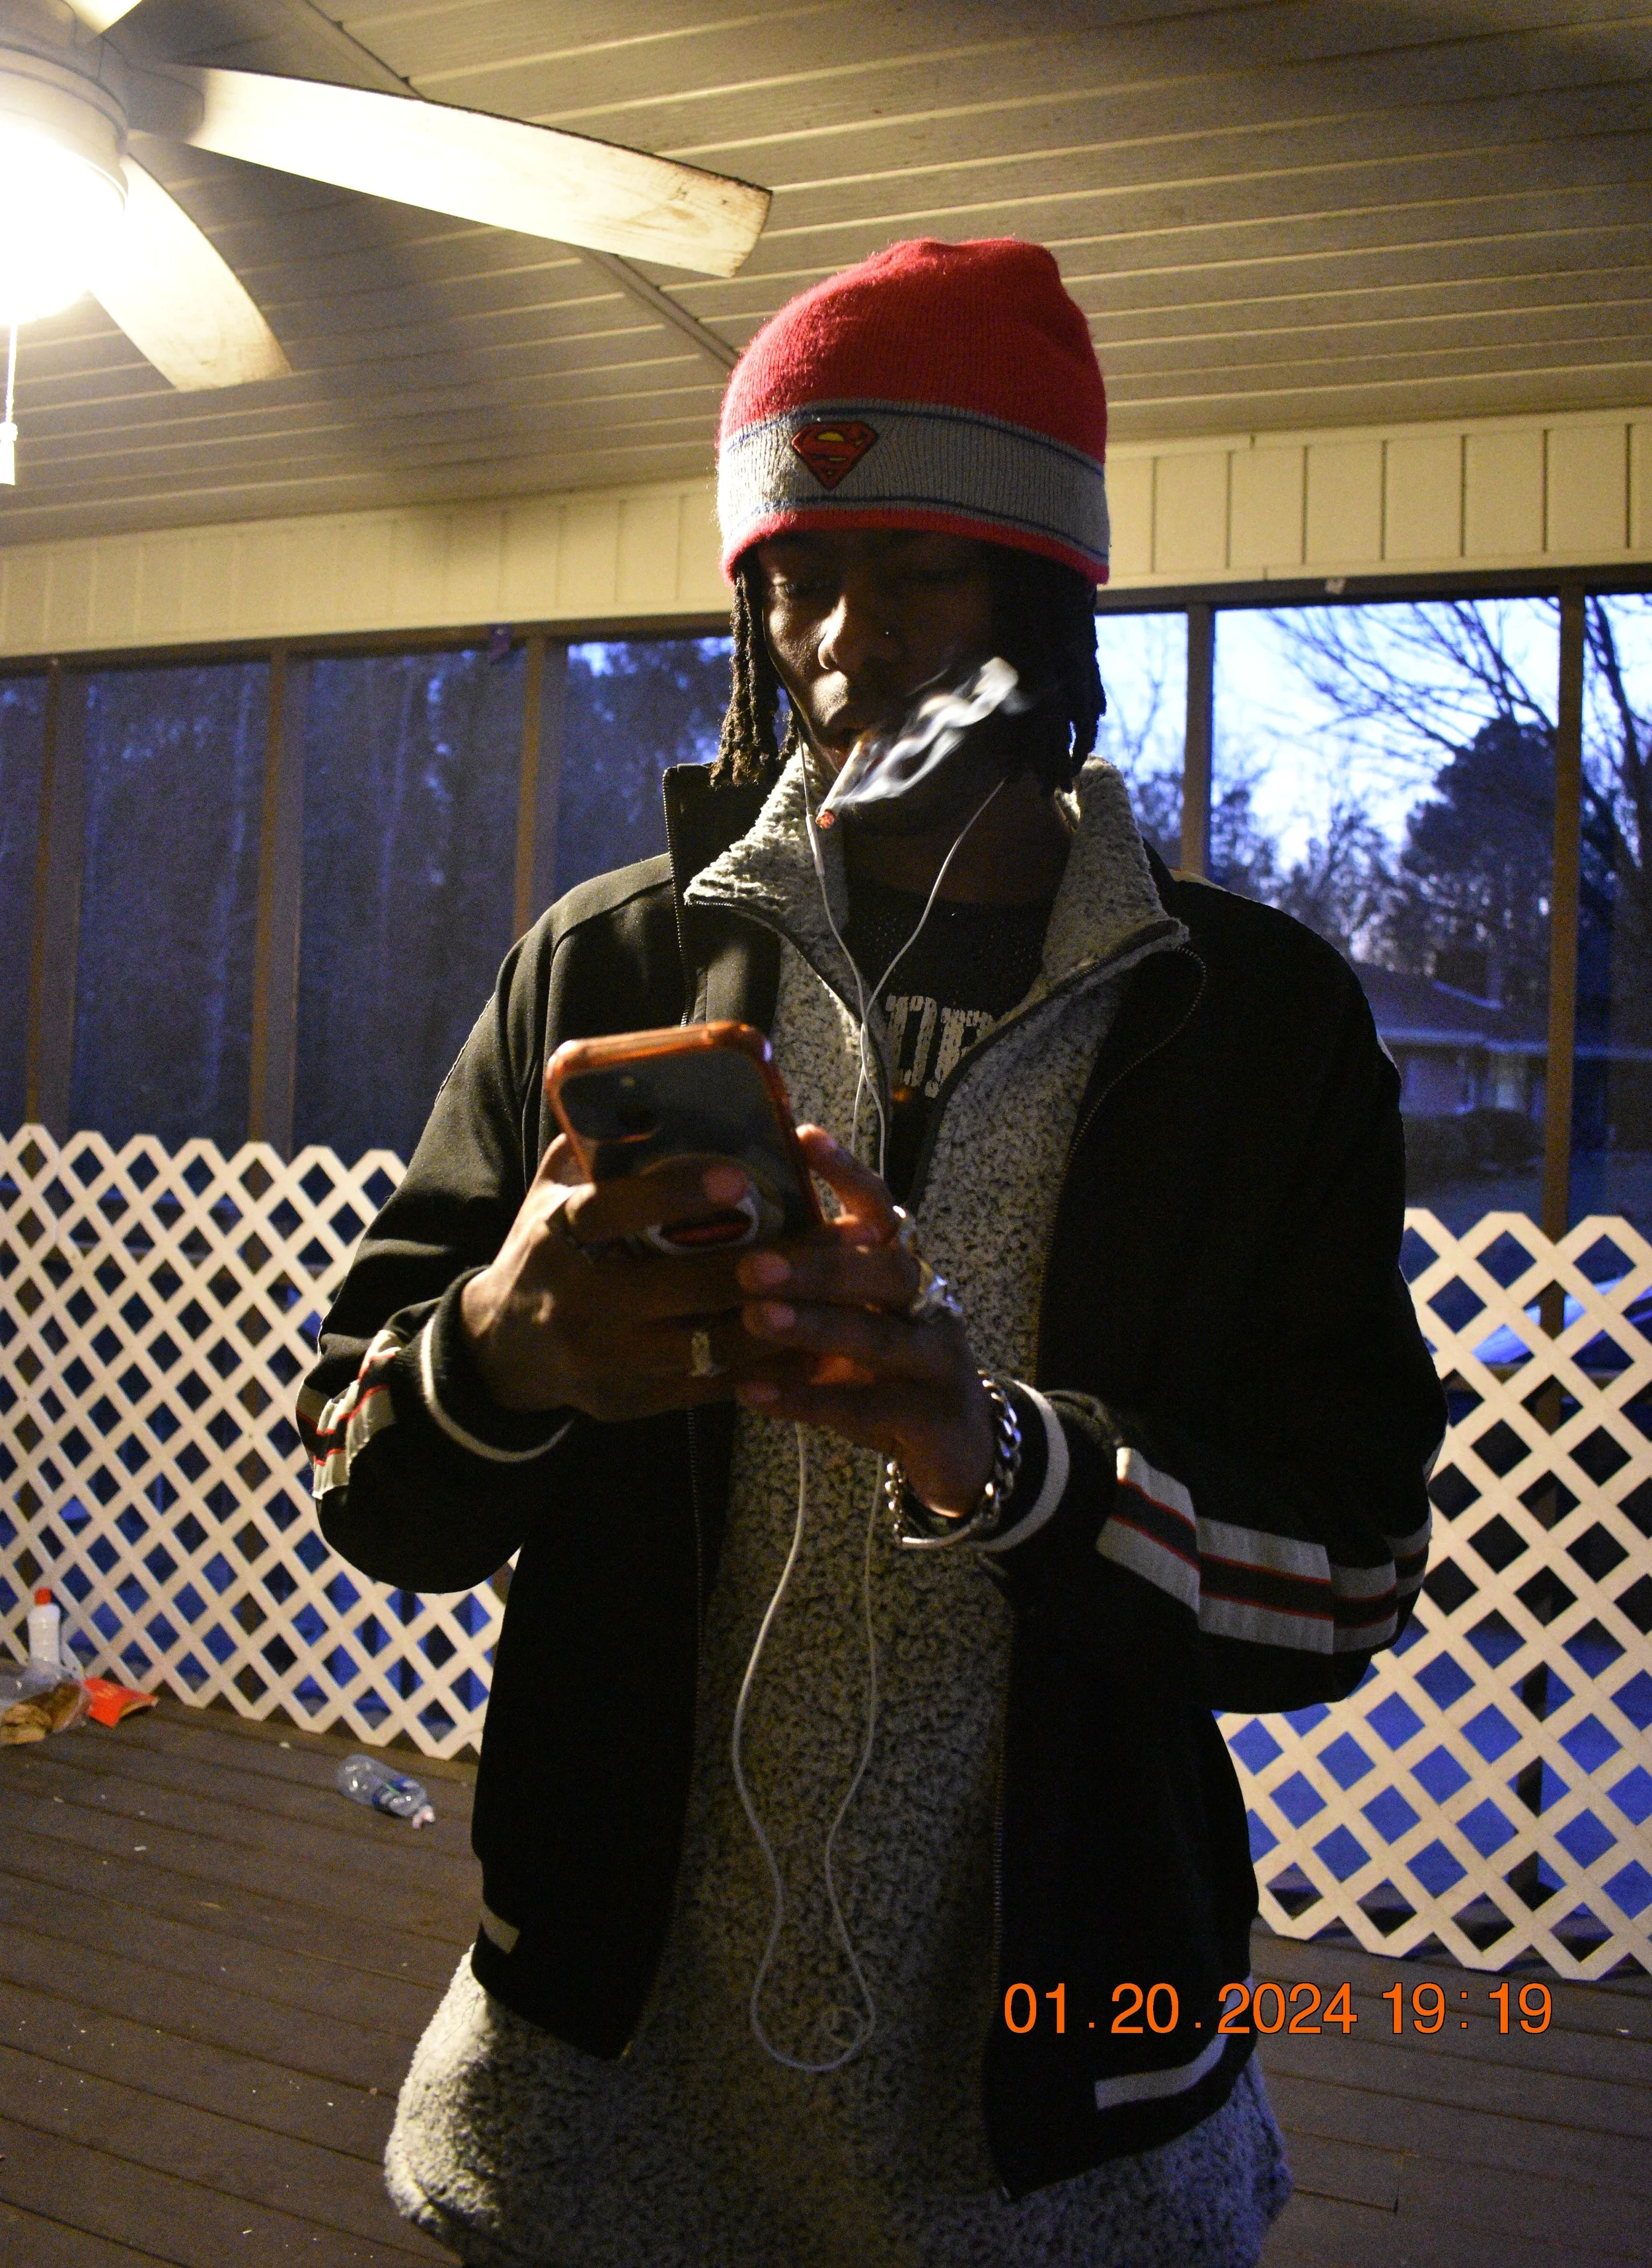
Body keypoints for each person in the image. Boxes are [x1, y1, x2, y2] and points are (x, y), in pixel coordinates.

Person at [299, 237, 1444, 2268]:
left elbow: (1339, 1579)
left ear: (1045, 592)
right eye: (793, 576)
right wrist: (502, 1348)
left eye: (915, 567)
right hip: (598, 2061)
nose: (840, 644)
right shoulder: (611, 961)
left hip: (1058, 2106)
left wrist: (991, 1453)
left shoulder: (1245, 1025)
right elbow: (368, 1482)